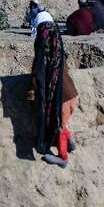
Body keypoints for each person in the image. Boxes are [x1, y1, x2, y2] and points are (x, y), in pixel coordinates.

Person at [27, 15, 78, 168]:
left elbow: (38, 75)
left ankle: (63, 157)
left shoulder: (46, 56)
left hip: (63, 98)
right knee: (63, 121)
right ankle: (71, 143)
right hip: (72, 94)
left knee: (59, 125)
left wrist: (31, 92)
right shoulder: (58, 52)